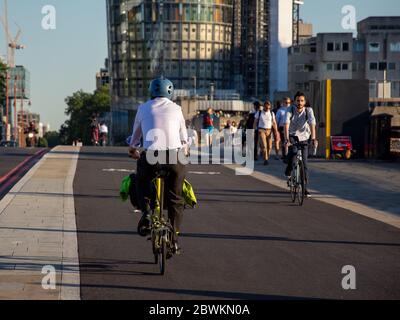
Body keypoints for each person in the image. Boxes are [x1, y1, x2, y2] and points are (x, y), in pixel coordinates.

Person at [128, 78, 188, 254]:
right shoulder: (177, 109)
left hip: (151, 157)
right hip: (174, 158)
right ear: (170, 92)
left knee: (139, 181)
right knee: (176, 198)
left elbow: (135, 138)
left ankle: (146, 213)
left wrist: (133, 150)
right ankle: (174, 239)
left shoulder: (143, 108)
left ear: (151, 91)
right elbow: (184, 139)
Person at [284, 92, 317, 198]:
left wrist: (313, 138)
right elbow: (286, 124)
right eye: (298, 100)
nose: (300, 102)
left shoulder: (308, 110)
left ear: (305, 102)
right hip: (293, 136)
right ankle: (289, 168)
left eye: (302, 100)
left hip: (305, 137)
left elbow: (312, 123)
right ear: (294, 101)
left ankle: (305, 188)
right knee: (293, 154)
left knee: (305, 164)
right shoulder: (290, 110)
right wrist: (287, 139)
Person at [254, 101, 278, 166]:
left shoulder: (271, 113)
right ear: (264, 106)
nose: (267, 108)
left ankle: (266, 155)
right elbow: (255, 122)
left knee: (270, 146)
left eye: (268, 107)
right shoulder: (259, 113)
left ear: (270, 106)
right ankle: (266, 159)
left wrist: (276, 131)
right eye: (266, 107)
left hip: (269, 131)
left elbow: (274, 123)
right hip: (261, 130)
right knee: (264, 145)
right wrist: (254, 130)